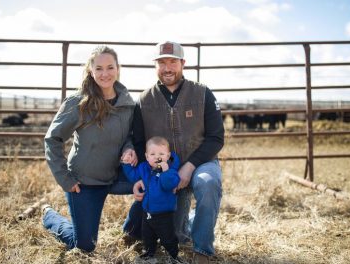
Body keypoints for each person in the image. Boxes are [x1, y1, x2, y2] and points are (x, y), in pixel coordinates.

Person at [125, 41, 225, 264]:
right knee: (175, 235)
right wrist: (145, 177)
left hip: (200, 163)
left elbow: (216, 138)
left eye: (172, 61)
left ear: (183, 64)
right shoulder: (144, 100)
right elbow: (139, 142)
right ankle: (187, 223)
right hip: (164, 170)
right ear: (155, 66)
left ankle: (203, 250)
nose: (167, 68)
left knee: (208, 183)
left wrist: (189, 166)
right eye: (162, 62)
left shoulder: (202, 93)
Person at [42, 45, 142, 252]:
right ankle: (50, 216)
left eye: (110, 67)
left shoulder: (127, 103)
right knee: (85, 246)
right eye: (99, 68)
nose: (105, 73)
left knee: (153, 185)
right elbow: (53, 139)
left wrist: (129, 148)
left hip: (117, 176)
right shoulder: (79, 103)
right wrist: (64, 178)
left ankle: (132, 232)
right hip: (86, 181)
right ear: (90, 70)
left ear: (117, 68)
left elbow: (130, 136)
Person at [121, 136, 182, 263]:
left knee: (168, 237)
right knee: (147, 236)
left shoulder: (171, 171)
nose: (156, 157)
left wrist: (165, 171)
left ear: (168, 155)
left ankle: (174, 256)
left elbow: (169, 184)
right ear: (147, 156)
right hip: (147, 211)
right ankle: (149, 254)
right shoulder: (144, 168)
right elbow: (133, 176)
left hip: (164, 213)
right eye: (152, 154)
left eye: (161, 154)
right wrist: (126, 164)